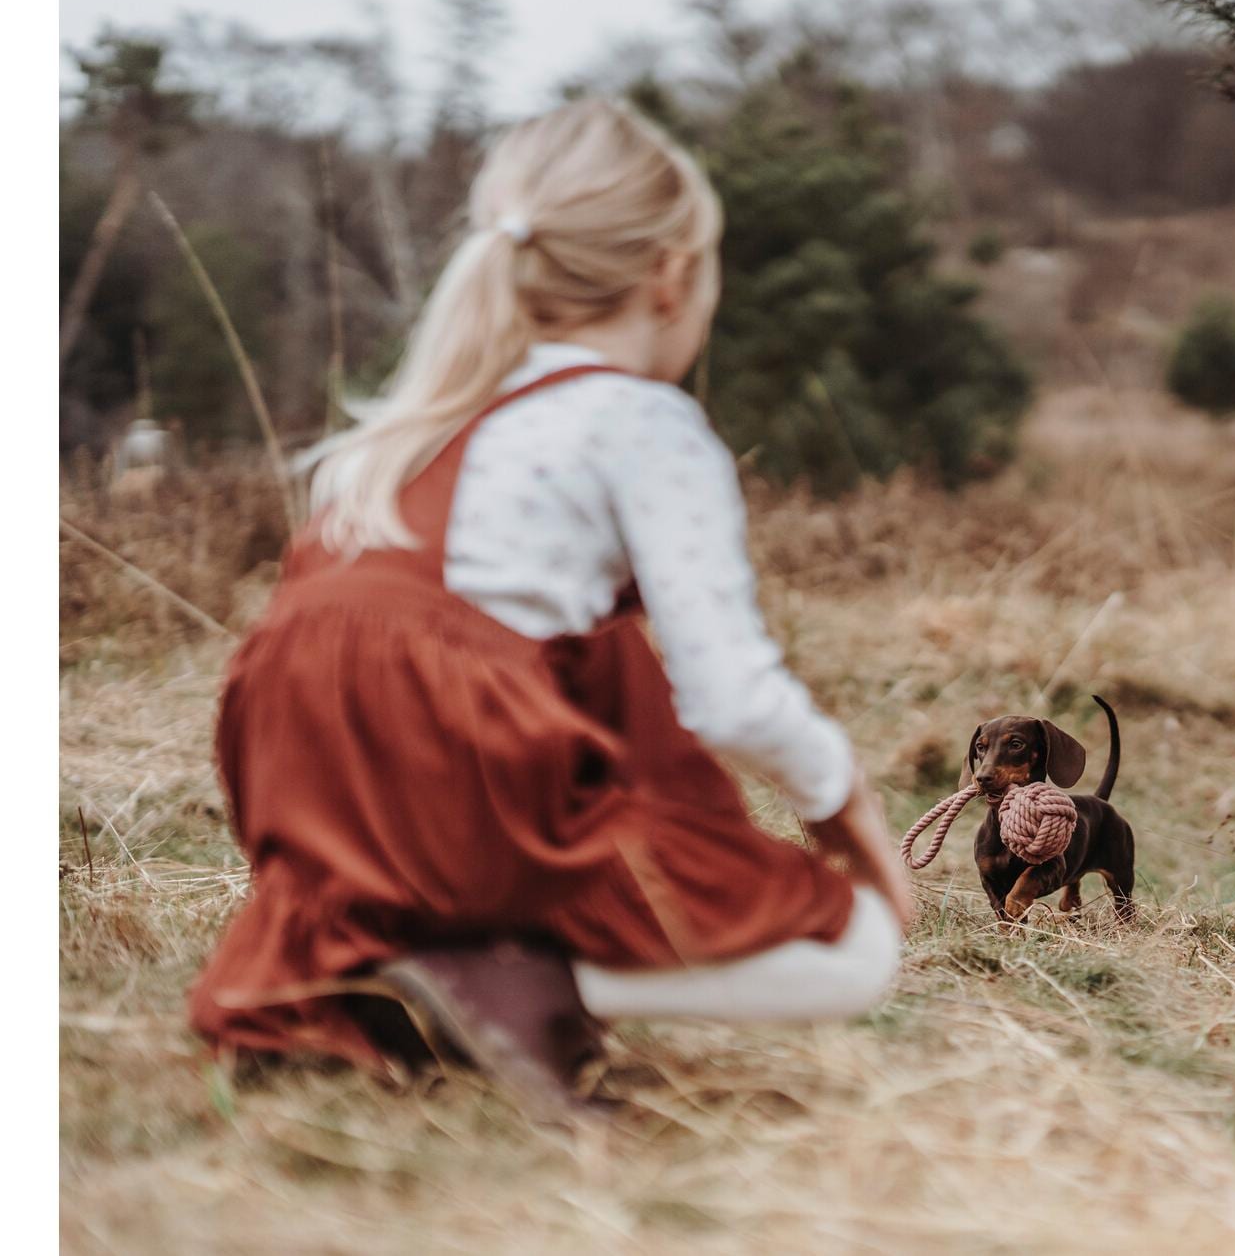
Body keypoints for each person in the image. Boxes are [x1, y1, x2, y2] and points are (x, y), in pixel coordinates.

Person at [187, 98, 915, 1118]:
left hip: (302, 776)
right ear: (671, 278)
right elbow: (732, 698)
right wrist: (847, 805)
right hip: (465, 765)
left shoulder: (395, 431)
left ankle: (408, 969)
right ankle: (513, 980)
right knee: (858, 947)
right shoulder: (641, 421)